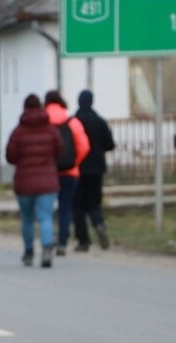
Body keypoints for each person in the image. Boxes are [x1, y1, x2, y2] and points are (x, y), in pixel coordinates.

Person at [5, 94, 63, 267]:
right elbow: (60, 150)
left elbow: (10, 156)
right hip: (47, 181)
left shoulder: (18, 131)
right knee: (46, 217)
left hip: (24, 182)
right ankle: (46, 250)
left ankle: (29, 251)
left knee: (27, 219)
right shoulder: (51, 129)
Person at [43, 90, 90, 256]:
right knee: (65, 208)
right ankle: (62, 242)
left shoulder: (42, 121)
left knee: (46, 208)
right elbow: (84, 146)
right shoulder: (72, 121)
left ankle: (48, 239)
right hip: (70, 172)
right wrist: (74, 163)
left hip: (47, 172)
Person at [73, 90, 116, 252]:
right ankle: (98, 223)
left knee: (77, 205)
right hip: (97, 168)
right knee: (94, 202)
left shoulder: (74, 122)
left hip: (77, 168)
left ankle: (83, 241)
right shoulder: (100, 122)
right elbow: (110, 144)